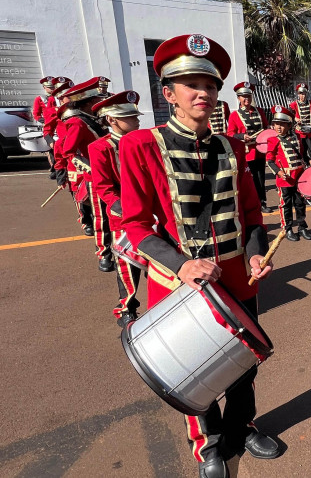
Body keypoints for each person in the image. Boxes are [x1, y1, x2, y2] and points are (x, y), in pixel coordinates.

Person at [120, 34, 280, 477]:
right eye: (190, 84)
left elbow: (251, 212)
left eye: (209, 85)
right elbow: (133, 225)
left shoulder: (234, 145)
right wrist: (181, 264)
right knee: (193, 370)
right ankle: (207, 445)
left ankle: (242, 426)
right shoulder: (140, 146)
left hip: (237, 276)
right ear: (168, 94)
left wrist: (255, 255)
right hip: (179, 281)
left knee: (243, 364)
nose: (203, 93)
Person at [88, 90, 143, 327]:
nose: (137, 120)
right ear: (111, 120)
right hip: (125, 214)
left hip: (151, 209)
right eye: (130, 117)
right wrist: (125, 208)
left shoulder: (144, 139)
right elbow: (104, 188)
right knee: (128, 262)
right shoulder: (100, 148)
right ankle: (126, 307)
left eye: (135, 116)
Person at [54, 77, 110, 241]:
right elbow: (68, 151)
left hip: (103, 168)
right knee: (95, 209)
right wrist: (88, 168)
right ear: (87, 102)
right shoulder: (77, 123)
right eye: (97, 99)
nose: (100, 101)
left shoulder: (94, 118)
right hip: (89, 170)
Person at [266, 105, 311, 242]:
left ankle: (301, 226)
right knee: (286, 205)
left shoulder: (298, 137)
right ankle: (287, 228)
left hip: (299, 178)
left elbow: (303, 154)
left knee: (300, 203)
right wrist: (278, 172)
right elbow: (269, 160)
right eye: (276, 124)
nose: (278, 127)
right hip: (284, 179)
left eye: (282, 124)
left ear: (289, 125)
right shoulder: (273, 140)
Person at [227, 81, 270, 212]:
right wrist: (242, 136)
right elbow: (230, 134)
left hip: (260, 151)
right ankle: (250, 204)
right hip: (246, 153)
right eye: (244, 96)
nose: (247, 99)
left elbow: (266, 127)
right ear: (239, 98)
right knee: (248, 180)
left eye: (249, 96)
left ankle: (262, 202)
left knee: (261, 178)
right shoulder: (234, 115)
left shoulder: (260, 111)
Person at [43, 77, 72, 180]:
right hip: (64, 146)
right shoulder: (53, 109)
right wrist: (50, 141)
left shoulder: (81, 108)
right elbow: (47, 130)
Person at [289, 83, 311, 165]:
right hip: (300, 132)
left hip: (310, 132)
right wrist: (296, 119)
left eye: (304, 93)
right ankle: (304, 165)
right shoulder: (293, 105)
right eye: (301, 94)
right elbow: (289, 116)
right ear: (298, 94)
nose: (303, 96)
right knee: (301, 151)